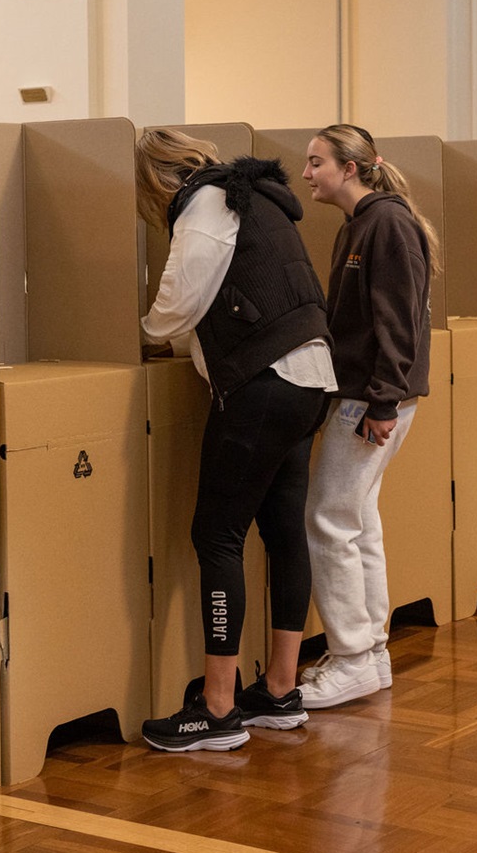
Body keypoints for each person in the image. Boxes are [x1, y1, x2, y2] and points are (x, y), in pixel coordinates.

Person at [135, 130, 335, 751]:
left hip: (264, 381)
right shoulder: (259, 198)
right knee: (282, 532)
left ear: (159, 180)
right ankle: (278, 690)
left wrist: (140, 332)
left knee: (215, 534)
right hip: (312, 376)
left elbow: (177, 303)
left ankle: (217, 707)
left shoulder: (206, 203)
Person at [293, 125, 435, 709]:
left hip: (374, 399)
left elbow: (400, 322)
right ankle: (369, 653)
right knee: (357, 520)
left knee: (327, 520)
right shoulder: (358, 225)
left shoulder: (388, 223)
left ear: (351, 168)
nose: (306, 175)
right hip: (367, 395)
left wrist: (381, 400)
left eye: (315, 163)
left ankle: (352, 656)